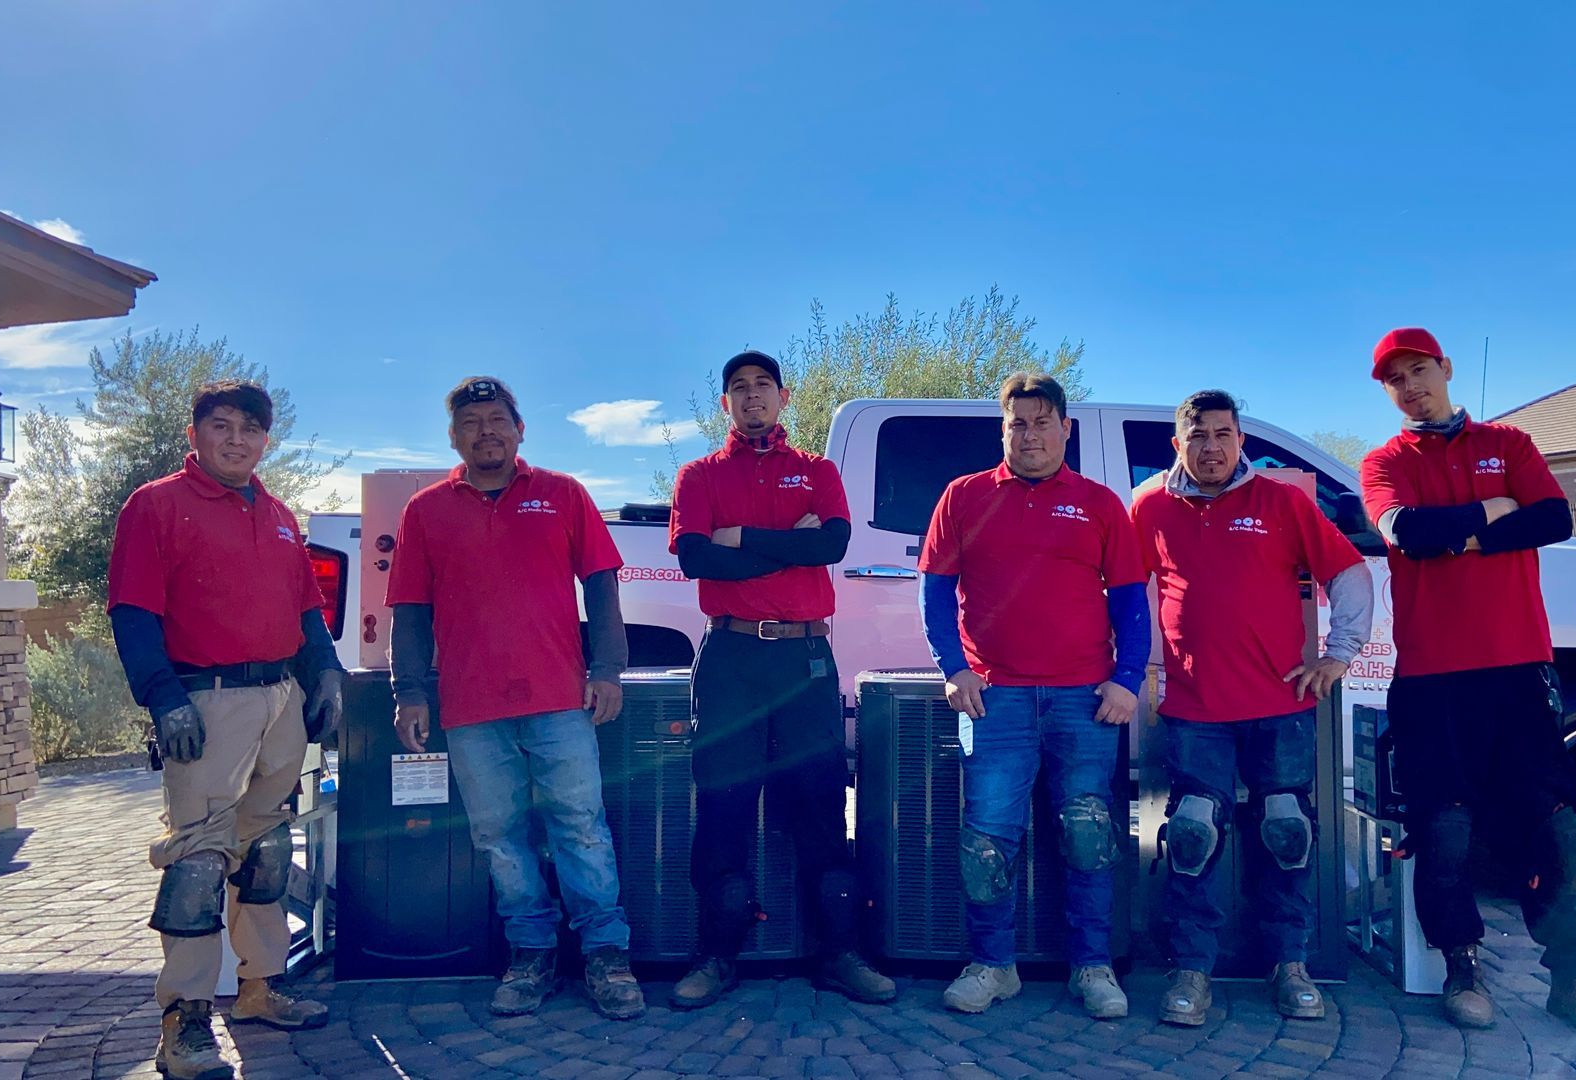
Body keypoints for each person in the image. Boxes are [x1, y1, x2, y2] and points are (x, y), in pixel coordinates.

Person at [1359, 328, 1576, 1039]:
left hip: (1517, 668)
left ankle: (1573, 977)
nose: (1411, 386)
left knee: (1556, 827)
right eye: (1395, 380)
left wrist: (1463, 535)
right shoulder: (1384, 460)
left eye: (1419, 370)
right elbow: (1406, 531)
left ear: (1444, 369)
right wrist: (1494, 515)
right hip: (1432, 678)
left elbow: (1554, 517)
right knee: (1443, 831)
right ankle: (1461, 966)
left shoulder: (1509, 444)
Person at [386, 376, 644, 1021]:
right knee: (499, 836)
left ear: (520, 428)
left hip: (560, 699)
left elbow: (603, 587)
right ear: (454, 437)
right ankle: (532, 953)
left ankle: (606, 956)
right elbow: (410, 610)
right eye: (471, 423)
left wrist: (608, 668)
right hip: (471, 707)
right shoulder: (425, 510)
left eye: (497, 419)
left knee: (581, 828)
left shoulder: (562, 494)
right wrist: (409, 691)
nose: (486, 432)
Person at [107, 380, 343, 1080]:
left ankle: (260, 987)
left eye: (250, 428)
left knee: (266, 847)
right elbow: (133, 613)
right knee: (199, 858)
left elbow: (306, 612)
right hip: (205, 703)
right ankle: (183, 1020)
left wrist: (325, 672)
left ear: (265, 440)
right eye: (221, 425)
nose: (236, 438)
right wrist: (163, 699)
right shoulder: (155, 506)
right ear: (195, 433)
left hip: (280, 698)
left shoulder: (276, 514)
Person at [1131, 389, 1373, 1026]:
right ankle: (1191, 971)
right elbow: (1122, 589)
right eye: (1198, 435)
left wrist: (1338, 653)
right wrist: (1135, 668)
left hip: (1280, 701)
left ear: (1241, 441)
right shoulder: (1150, 505)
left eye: (1223, 434)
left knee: (1288, 832)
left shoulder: (1283, 500)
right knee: (1191, 837)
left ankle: (1290, 965)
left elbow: (1348, 572)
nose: (1211, 447)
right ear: (1177, 443)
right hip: (1192, 707)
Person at [665, 350, 896, 1010]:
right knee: (723, 808)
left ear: (784, 396)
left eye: (763, 385)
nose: (752, 396)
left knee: (822, 804)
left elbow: (831, 546)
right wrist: (781, 542)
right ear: (725, 404)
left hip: (804, 662)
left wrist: (739, 539)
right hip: (732, 659)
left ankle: (839, 955)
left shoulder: (817, 471)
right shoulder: (698, 475)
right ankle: (716, 956)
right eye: (738, 388)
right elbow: (694, 556)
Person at [919, 372, 1151, 1019]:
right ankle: (993, 965)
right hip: (995, 699)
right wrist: (953, 666)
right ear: (1003, 430)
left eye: (1042, 421)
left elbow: (1132, 600)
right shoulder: (963, 497)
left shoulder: (1101, 505)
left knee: (1088, 835)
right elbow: (935, 591)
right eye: (1018, 423)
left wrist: (1128, 679)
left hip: (1085, 699)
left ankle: (1093, 967)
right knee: (987, 842)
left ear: (1065, 429)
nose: (1030, 434)